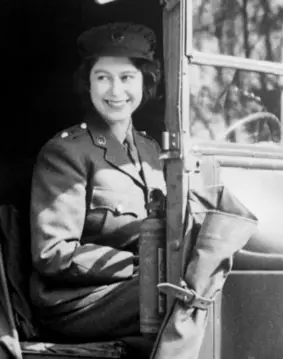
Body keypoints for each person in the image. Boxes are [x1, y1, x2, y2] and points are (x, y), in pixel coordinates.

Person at [28, 22, 165, 341]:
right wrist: (137, 265)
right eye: (102, 78)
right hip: (78, 301)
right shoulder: (65, 152)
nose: (116, 92)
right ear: (86, 84)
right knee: (180, 292)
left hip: (135, 287)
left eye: (127, 78)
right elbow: (53, 253)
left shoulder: (151, 150)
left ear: (146, 82)